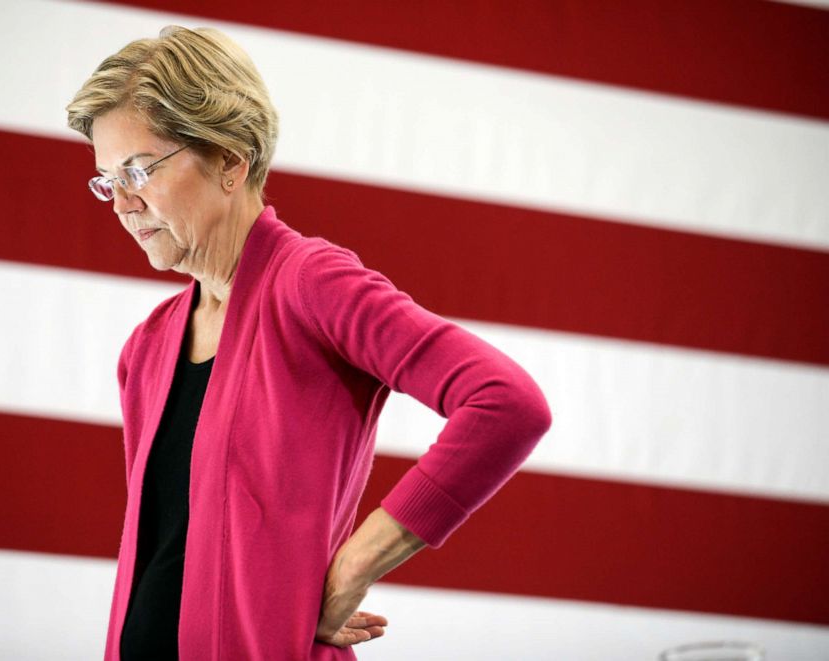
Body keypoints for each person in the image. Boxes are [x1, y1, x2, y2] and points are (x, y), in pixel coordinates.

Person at [66, 25, 552, 661]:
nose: (123, 203)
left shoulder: (310, 282)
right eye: (107, 180)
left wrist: (351, 570)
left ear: (229, 160)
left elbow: (507, 404)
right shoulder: (147, 347)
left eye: (138, 169)